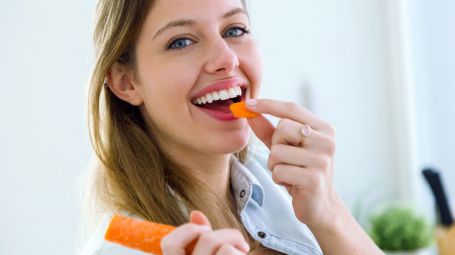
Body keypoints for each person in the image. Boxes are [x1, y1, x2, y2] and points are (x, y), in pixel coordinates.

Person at [80, 0, 384, 254]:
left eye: (234, 30)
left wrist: (329, 211)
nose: (227, 58)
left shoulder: (280, 182)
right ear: (126, 82)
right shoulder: (121, 245)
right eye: (181, 41)